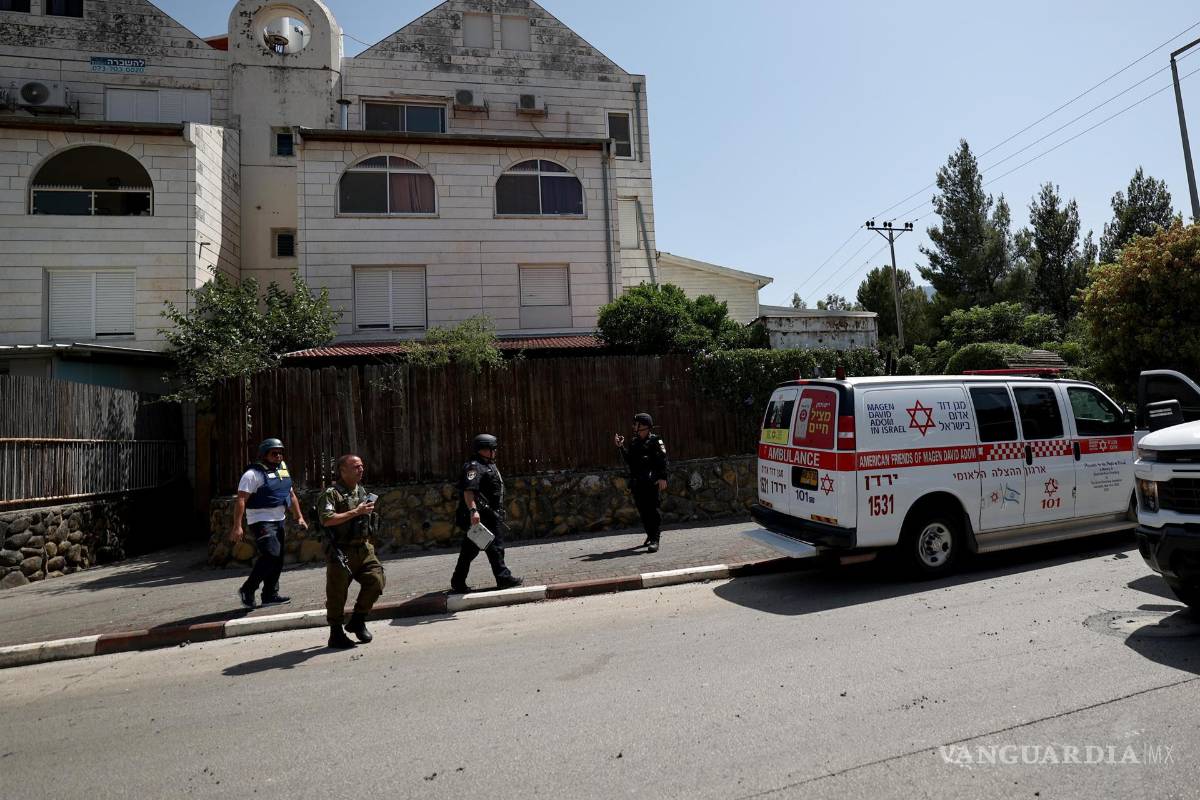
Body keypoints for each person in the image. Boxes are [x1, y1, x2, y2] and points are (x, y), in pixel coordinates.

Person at [229, 438, 307, 608]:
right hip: (260, 520)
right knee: (271, 554)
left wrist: (299, 516)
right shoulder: (252, 474)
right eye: (274, 453)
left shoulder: (282, 470)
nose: (278, 456)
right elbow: (241, 499)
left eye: (280, 452)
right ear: (264, 454)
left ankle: (270, 595)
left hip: (279, 520)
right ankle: (248, 589)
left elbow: (291, 494)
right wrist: (237, 525)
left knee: (277, 559)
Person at [318, 454, 386, 649]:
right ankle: (336, 633)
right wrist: (356, 512)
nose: (361, 469)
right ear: (343, 471)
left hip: (364, 548)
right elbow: (327, 519)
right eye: (355, 466)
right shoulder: (331, 493)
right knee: (337, 593)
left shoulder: (361, 491)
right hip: (341, 550)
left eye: (362, 466)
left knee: (376, 580)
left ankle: (358, 619)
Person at [450, 434, 523, 593]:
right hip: (482, 517)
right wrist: (474, 511)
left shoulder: (487, 464)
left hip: (490, 515)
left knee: (469, 550)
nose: (495, 452)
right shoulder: (475, 467)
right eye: (493, 449)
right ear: (484, 449)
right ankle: (503, 578)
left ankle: (458, 581)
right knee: (495, 547)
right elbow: (468, 491)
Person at [614, 413, 669, 552]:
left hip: (652, 482)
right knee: (643, 511)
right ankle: (650, 534)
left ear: (644, 426)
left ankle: (655, 539)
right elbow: (630, 461)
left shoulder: (656, 441)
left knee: (652, 510)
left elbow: (663, 460)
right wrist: (620, 447)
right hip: (638, 483)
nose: (634, 426)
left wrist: (663, 477)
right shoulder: (634, 442)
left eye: (636, 424)